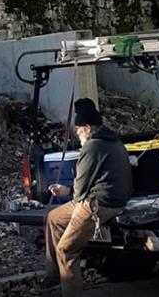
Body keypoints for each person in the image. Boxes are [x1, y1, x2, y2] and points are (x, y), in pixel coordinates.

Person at [44, 98, 132, 297]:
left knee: (66, 250)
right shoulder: (113, 141)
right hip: (111, 199)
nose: (77, 133)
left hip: (98, 203)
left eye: (78, 130)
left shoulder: (92, 146)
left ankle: (69, 287)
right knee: (53, 218)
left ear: (88, 128)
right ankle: (55, 273)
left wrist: (69, 192)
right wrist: (68, 191)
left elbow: (80, 189)